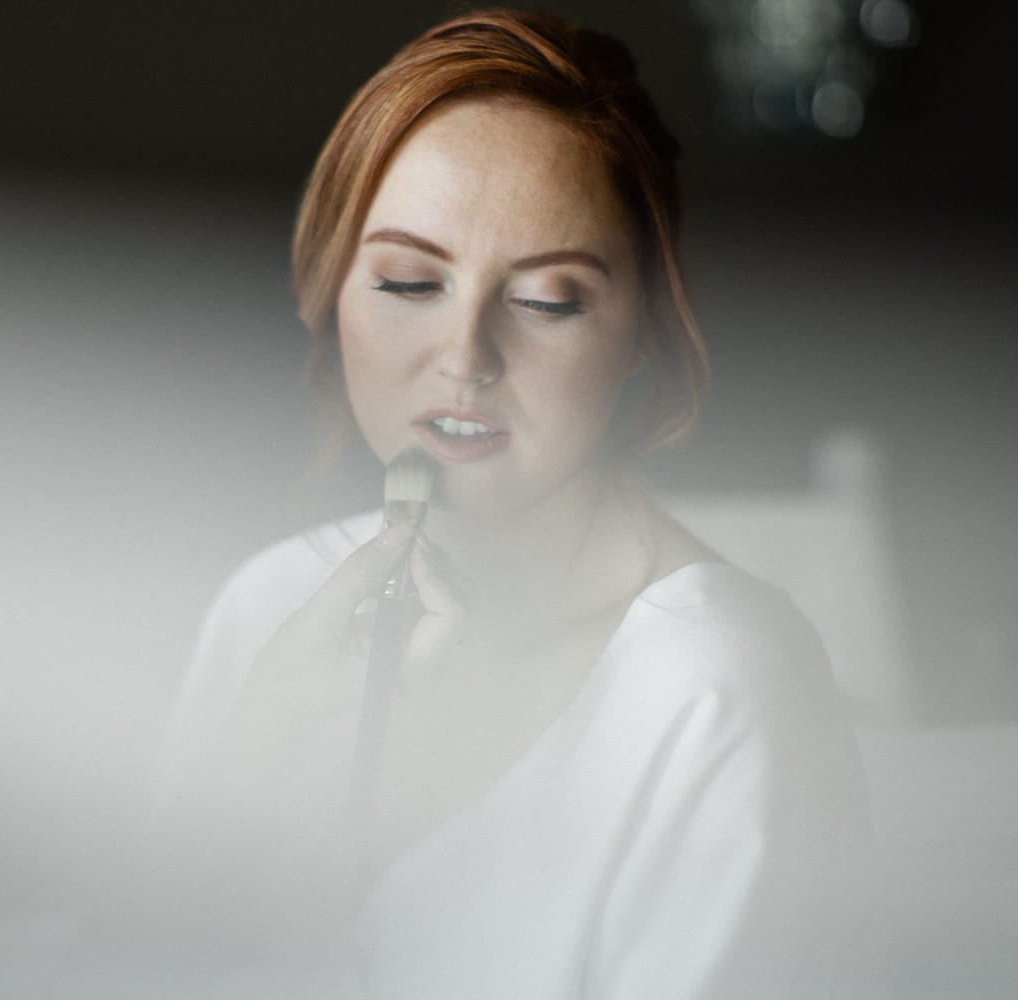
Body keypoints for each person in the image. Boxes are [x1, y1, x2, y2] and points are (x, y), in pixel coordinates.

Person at [155, 9, 868, 998]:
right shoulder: (266, 606)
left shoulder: (719, 688)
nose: (465, 357)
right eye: (409, 282)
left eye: (547, 301)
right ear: (332, 290)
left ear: (644, 336)